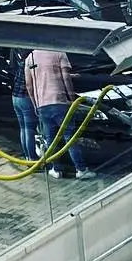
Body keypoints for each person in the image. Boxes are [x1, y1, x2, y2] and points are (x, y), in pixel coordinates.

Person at [25, 48, 93, 179]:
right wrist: (72, 99)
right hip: (60, 102)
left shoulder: (30, 58)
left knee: (50, 140)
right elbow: (66, 78)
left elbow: (29, 85)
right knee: (70, 138)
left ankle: (56, 170)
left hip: (42, 105)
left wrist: (35, 105)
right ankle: (81, 169)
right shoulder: (59, 53)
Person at [9, 52, 37, 163]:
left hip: (15, 98)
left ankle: (27, 157)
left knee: (23, 129)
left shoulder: (21, 63)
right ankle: (32, 158)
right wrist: (35, 103)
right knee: (30, 130)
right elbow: (29, 85)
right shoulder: (31, 62)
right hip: (25, 99)